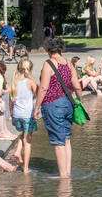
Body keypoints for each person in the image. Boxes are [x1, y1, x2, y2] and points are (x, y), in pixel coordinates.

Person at [34, 37, 81, 179]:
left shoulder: (49, 64)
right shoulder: (68, 64)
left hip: (53, 104)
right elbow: (77, 86)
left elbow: (43, 88)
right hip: (68, 104)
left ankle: (63, 177)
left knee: (58, 142)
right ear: (61, 48)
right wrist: (80, 100)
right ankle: (67, 172)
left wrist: (36, 107)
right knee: (66, 139)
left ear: (48, 50)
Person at [9, 58, 38, 175]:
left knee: (23, 134)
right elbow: (39, 95)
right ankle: (26, 168)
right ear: (29, 70)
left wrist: (11, 115)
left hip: (17, 115)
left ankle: (17, 151)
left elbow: (10, 101)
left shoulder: (14, 82)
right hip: (27, 115)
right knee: (28, 141)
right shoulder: (30, 82)